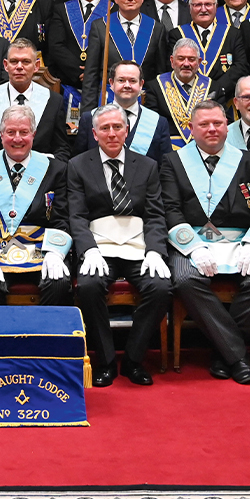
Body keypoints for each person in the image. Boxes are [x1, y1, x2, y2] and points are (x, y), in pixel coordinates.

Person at [160, 100, 250, 384]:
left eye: (218, 123)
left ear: (228, 126)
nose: (212, 129)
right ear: (191, 129)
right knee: (186, 279)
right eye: (204, 124)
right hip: (193, 242)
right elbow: (170, 210)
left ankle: (223, 350)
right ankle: (236, 356)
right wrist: (194, 247)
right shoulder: (172, 162)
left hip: (241, 241)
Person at [68, 104, 173, 386]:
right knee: (89, 287)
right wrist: (88, 249)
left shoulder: (148, 165)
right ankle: (105, 361)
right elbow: (76, 215)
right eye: (105, 128)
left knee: (161, 287)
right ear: (94, 133)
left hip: (138, 247)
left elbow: (154, 214)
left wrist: (155, 251)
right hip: (99, 247)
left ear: (126, 131)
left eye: (117, 127)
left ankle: (133, 360)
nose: (112, 133)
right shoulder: (78, 165)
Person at [0, 105, 73, 306]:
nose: (17, 139)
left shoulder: (56, 169)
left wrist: (55, 253)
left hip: (41, 247)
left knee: (58, 282)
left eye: (24, 132)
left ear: (33, 134)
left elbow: (61, 217)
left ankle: (44, 336)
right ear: (1, 135)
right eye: (11, 132)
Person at [0, 39, 72, 159]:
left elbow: (62, 149)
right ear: (5, 65)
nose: (19, 67)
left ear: (36, 66)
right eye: (14, 61)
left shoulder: (53, 101)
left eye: (26, 62)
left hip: (40, 173)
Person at [82, 0, 167, 105]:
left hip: (145, 103)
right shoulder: (101, 27)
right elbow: (91, 75)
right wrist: (87, 114)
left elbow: (160, 75)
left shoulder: (157, 28)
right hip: (108, 101)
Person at [77, 60, 173, 161]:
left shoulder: (158, 122)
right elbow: (79, 163)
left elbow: (164, 167)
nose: (127, 85)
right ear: (111, 83)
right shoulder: (89, 119)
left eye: (132, 81)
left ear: (141, 84)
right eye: (121, 80)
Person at [166, 0, 245, 98]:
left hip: (223, 97)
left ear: (216, 7)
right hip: (187, 97)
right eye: (198, 5)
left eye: (208, 4)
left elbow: (240, 66)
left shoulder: (232, 33)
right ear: (190, 8)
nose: (203, 9)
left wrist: (217, 89)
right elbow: (173, 66)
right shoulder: (177, 34)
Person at [46, 0, 108, 99]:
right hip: (69, 83)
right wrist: (78, 73)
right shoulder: (61, 10)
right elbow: (56, 46)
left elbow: (114, 48)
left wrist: (93, 73)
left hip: (101, 84)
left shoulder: (113, 10)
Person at [144, 39, 213, 151]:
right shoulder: (156, 86)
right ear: (172, 61)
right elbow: (152, 125)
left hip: (204, 149)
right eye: (181, 59)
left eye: (191, 59)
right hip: (167, 151)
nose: (186, 64)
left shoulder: (212, 87)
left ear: (199, 62)